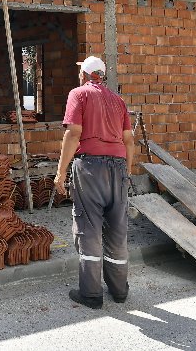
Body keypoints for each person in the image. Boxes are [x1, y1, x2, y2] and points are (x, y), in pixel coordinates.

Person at [53, 55, 134, 309]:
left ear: (85, 75)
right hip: (118, 168)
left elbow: (73, 133)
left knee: (89, 228)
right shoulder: (117, 100)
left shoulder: (79, 94)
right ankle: (119, 290)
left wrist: (60, 172)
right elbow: (129, 139)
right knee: (117, 228)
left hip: (90, 167)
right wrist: (127, 172)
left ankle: (91, 294)